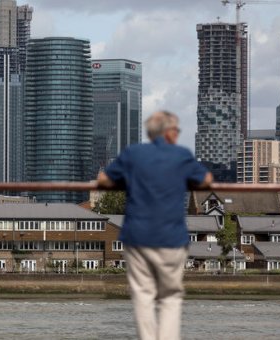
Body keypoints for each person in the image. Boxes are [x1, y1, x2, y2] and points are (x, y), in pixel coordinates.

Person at [97, 110, 212, 340]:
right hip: (171, 238)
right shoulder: (181, 156)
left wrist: (124, 181)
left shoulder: (134, 153)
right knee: (170, 296)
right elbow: (206, 180)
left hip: (137, 236)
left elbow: (103, 180)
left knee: (142, 294)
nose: (178, 135)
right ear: (169, 132)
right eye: (177, 130)